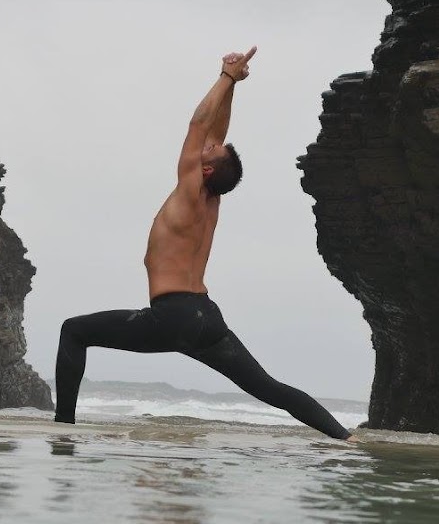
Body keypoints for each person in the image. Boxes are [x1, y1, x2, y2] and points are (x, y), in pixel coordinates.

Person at [54, 47, 356, 441]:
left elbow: (198, 125)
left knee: (73, 331)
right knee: (268, 387)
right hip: (205, 318)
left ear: (207, 169)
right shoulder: (210, 200)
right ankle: (345, 438)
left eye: (209, 153)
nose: (206, 145)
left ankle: (62, 430)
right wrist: (234, 87)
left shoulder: (190, 189)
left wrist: (225, 76)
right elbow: (215, 133)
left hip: (172, 315)